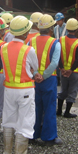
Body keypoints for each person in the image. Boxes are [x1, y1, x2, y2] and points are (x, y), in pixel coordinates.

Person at [1, 15, 41, 154]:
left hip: (9, 89)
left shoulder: (3, 47)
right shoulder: (29, 50)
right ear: (25, 33)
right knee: (25, 122)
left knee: (8, 119)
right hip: (25, 89)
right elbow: (35, 68)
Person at [29, 14, 62, 145]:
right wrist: (44, 76)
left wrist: (36, 74)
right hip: (49, 79)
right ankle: (49, 137)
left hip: (34, 80)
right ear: (50, 28)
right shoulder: (55, 43)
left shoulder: (30, 41)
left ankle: (33, 134)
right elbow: (54, 63)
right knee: (49, 108)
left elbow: (28, 60)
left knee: (35, 108)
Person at [57, 18, 78, 118]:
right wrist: (71, 70)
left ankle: (59, 110)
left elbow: (57, 55)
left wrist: (62, 68)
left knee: (63, 90)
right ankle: (67, 112)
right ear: (76, 29)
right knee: (72, 91)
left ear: (67, 28)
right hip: (74, 72)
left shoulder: (60, 39)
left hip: (63, 71)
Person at [53, 12, 67, 86]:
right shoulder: (55, 28)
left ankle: (63, 78)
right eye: (57, 21)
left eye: (59, 20)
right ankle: (58, 79)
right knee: (57, 64)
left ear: (63, 20)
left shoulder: (67, 27)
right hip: (58, 47)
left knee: (63, 63)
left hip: (64, 48)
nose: (58, 22)